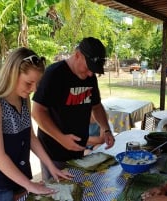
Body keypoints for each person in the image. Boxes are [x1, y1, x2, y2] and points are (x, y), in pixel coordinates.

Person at [0, 47, 73, 201]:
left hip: (17, 177)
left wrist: (52, 167)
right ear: (12, 74)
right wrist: (30, 185)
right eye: (29, 83)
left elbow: (31, 137)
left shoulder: (23, 100)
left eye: (36, 84)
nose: (33, 89)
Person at [31, 37, 115, 180]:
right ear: (77, 55)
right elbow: (37, 112)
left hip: (78, 150)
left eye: (93, 71)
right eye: (88, 68)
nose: (90, 74)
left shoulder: (90, 77)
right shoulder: (54, 74)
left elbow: (96, 106)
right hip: (54, 152)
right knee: (58, 193)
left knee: (77, 188)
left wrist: (106, 128)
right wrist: (62, 138)